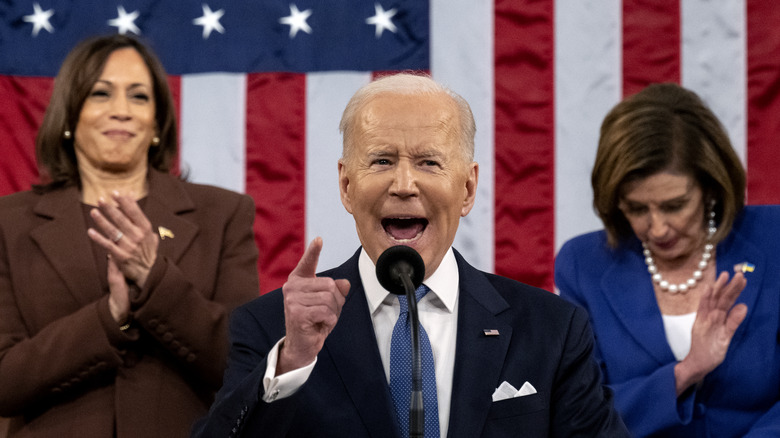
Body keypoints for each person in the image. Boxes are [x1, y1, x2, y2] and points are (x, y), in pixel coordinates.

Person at [192, 73, 628, 437]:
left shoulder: (551, 329)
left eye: (428, 162)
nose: (403, 183)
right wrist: (293, 362)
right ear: (346, 185)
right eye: (381, 161)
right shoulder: (272, 330)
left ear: (468, 189)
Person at [0, 35, 259, 437]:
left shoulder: (223, 215)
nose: (121, 111)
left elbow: (244, 362)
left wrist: (155, 281)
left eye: (139, 97)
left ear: (157, 122)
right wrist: (108, 318)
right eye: (101, 94)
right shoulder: (9, 222)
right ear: (69, 116)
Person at [555, 83, 780, 437]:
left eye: (674, 205)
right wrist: (686, 371)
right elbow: (581, 412)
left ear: (710, 186)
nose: (658, 228)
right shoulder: (583, 264)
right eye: (637, 208)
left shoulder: (773, 237)